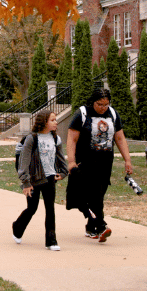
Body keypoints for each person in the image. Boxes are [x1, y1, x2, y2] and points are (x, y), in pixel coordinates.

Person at [65, 87, 133, 242]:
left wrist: (127, 160)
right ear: (92, 102)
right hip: (85, 162)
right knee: (91, 195)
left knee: (99, 195)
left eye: (106, 104)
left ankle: (91, 227)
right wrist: (71, 162)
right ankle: (102, 226)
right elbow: (72, 139)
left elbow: (120, 138)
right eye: (99, 104)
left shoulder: (113, 114)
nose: (103, 108)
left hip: (105, 162)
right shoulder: (82, 113)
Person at [12, 110, 69, 251]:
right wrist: (25, 182)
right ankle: (17, 227)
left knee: (50, 209)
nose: (56, 122)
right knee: (32, 208)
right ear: (44, 122)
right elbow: (24, 162)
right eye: (53, 120)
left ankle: (51, 241)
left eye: (55, 120)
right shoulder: (32, 139)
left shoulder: (56, 139)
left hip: (50, 178)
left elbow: (62, 160)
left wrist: (63, 173)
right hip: (34, 179)